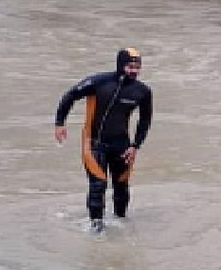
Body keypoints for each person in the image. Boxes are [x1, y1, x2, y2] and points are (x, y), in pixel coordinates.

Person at [55, 47, 153, 232]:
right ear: (120, 65)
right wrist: (60, 123)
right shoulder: (99, 82)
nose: (134, 71)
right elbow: (70, 95)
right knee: (98, 185)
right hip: (93, 143)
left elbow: (145, 120)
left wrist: (135, 146)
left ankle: (121, 223)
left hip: (122, 146)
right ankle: (96, 227)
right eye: (130, 66)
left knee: (121, 187)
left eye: (137, 67)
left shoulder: (143, 92)